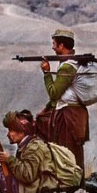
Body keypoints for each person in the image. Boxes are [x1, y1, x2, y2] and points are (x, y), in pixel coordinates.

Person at [0, 110, 81, 193]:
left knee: (1, 174)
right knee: (1, 170)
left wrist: (9, 160)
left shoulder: (34, 148)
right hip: (34, 186)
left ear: (21, 131)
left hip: (38, 189)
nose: (8, 134)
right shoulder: (27, 146)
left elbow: (27, 175)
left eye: (11, 130)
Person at [35, 28, 89, 170]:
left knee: (68, 155)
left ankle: (72, 189)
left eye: (54, 44)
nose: (52, 47)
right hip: (72, 115)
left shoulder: (67, 67)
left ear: (61, 46)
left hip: (68, 117)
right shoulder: (70, 63)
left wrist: (47, 73)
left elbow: (54, 93)